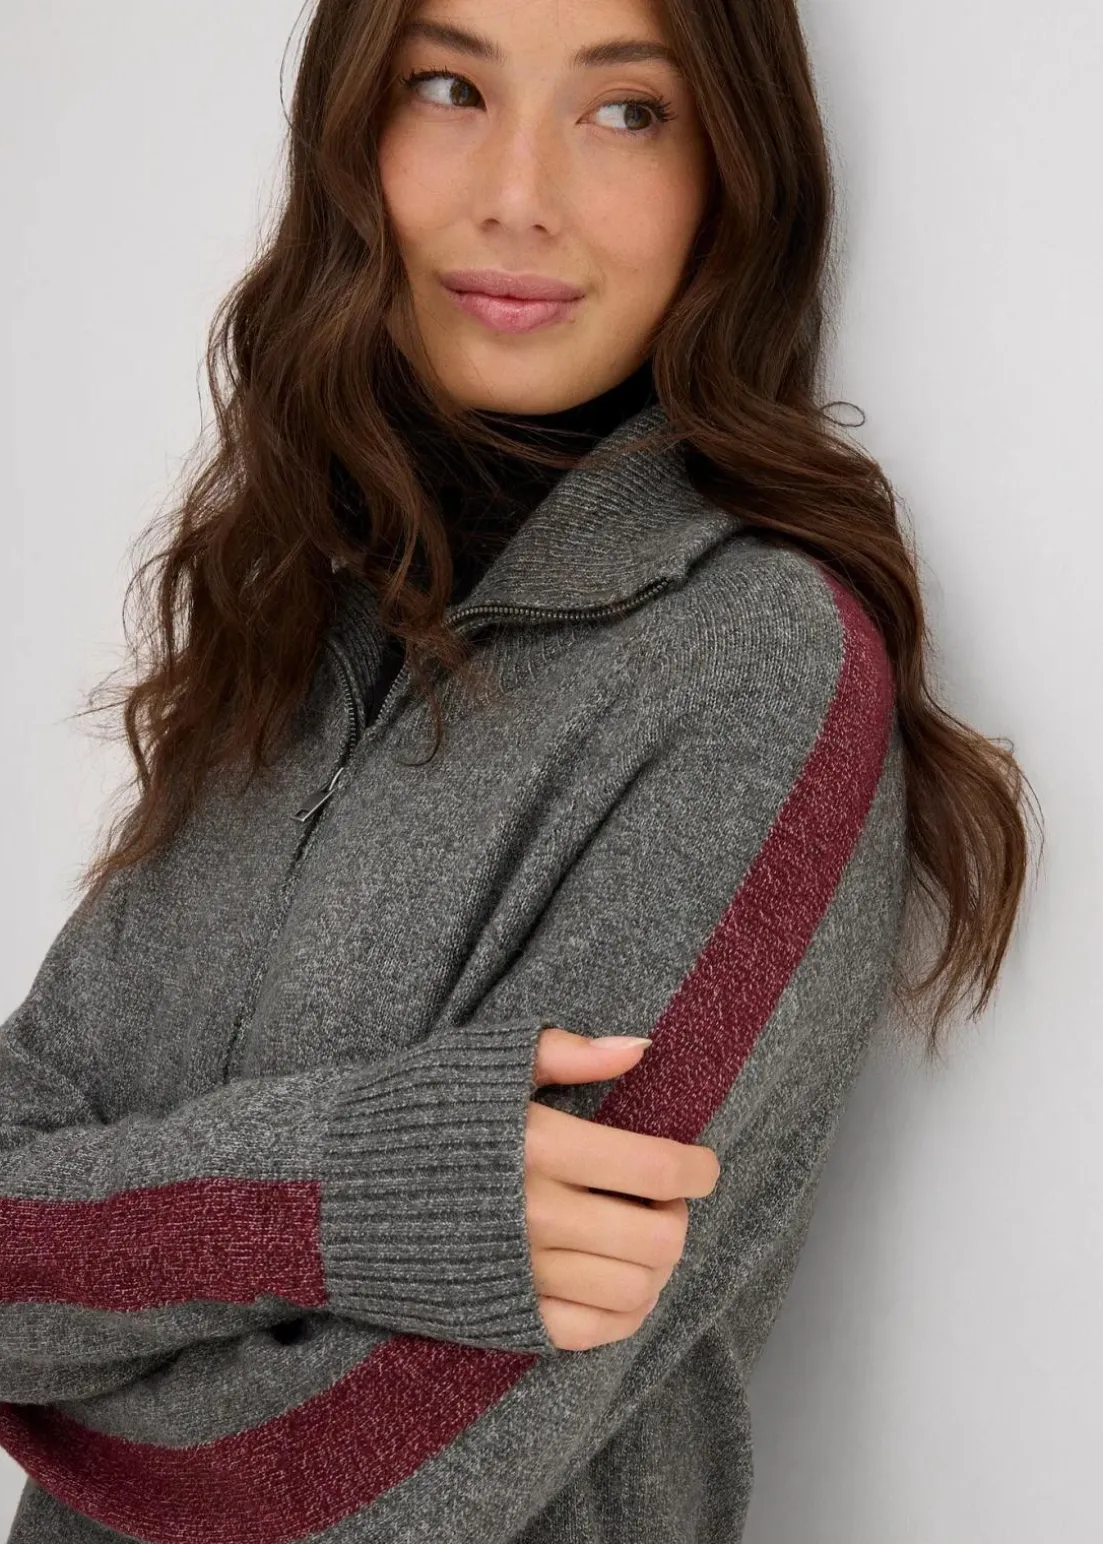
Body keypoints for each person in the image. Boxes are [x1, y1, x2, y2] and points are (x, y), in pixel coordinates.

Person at [0, 1, 1034, 1541]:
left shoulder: (756, 665)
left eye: (626, 111)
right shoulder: (297, 609)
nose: (517, 194)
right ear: (351, 131)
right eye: (447, 87)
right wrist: (346, 1195)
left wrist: (75, 1295)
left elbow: (355, 1480)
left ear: (731, 178)